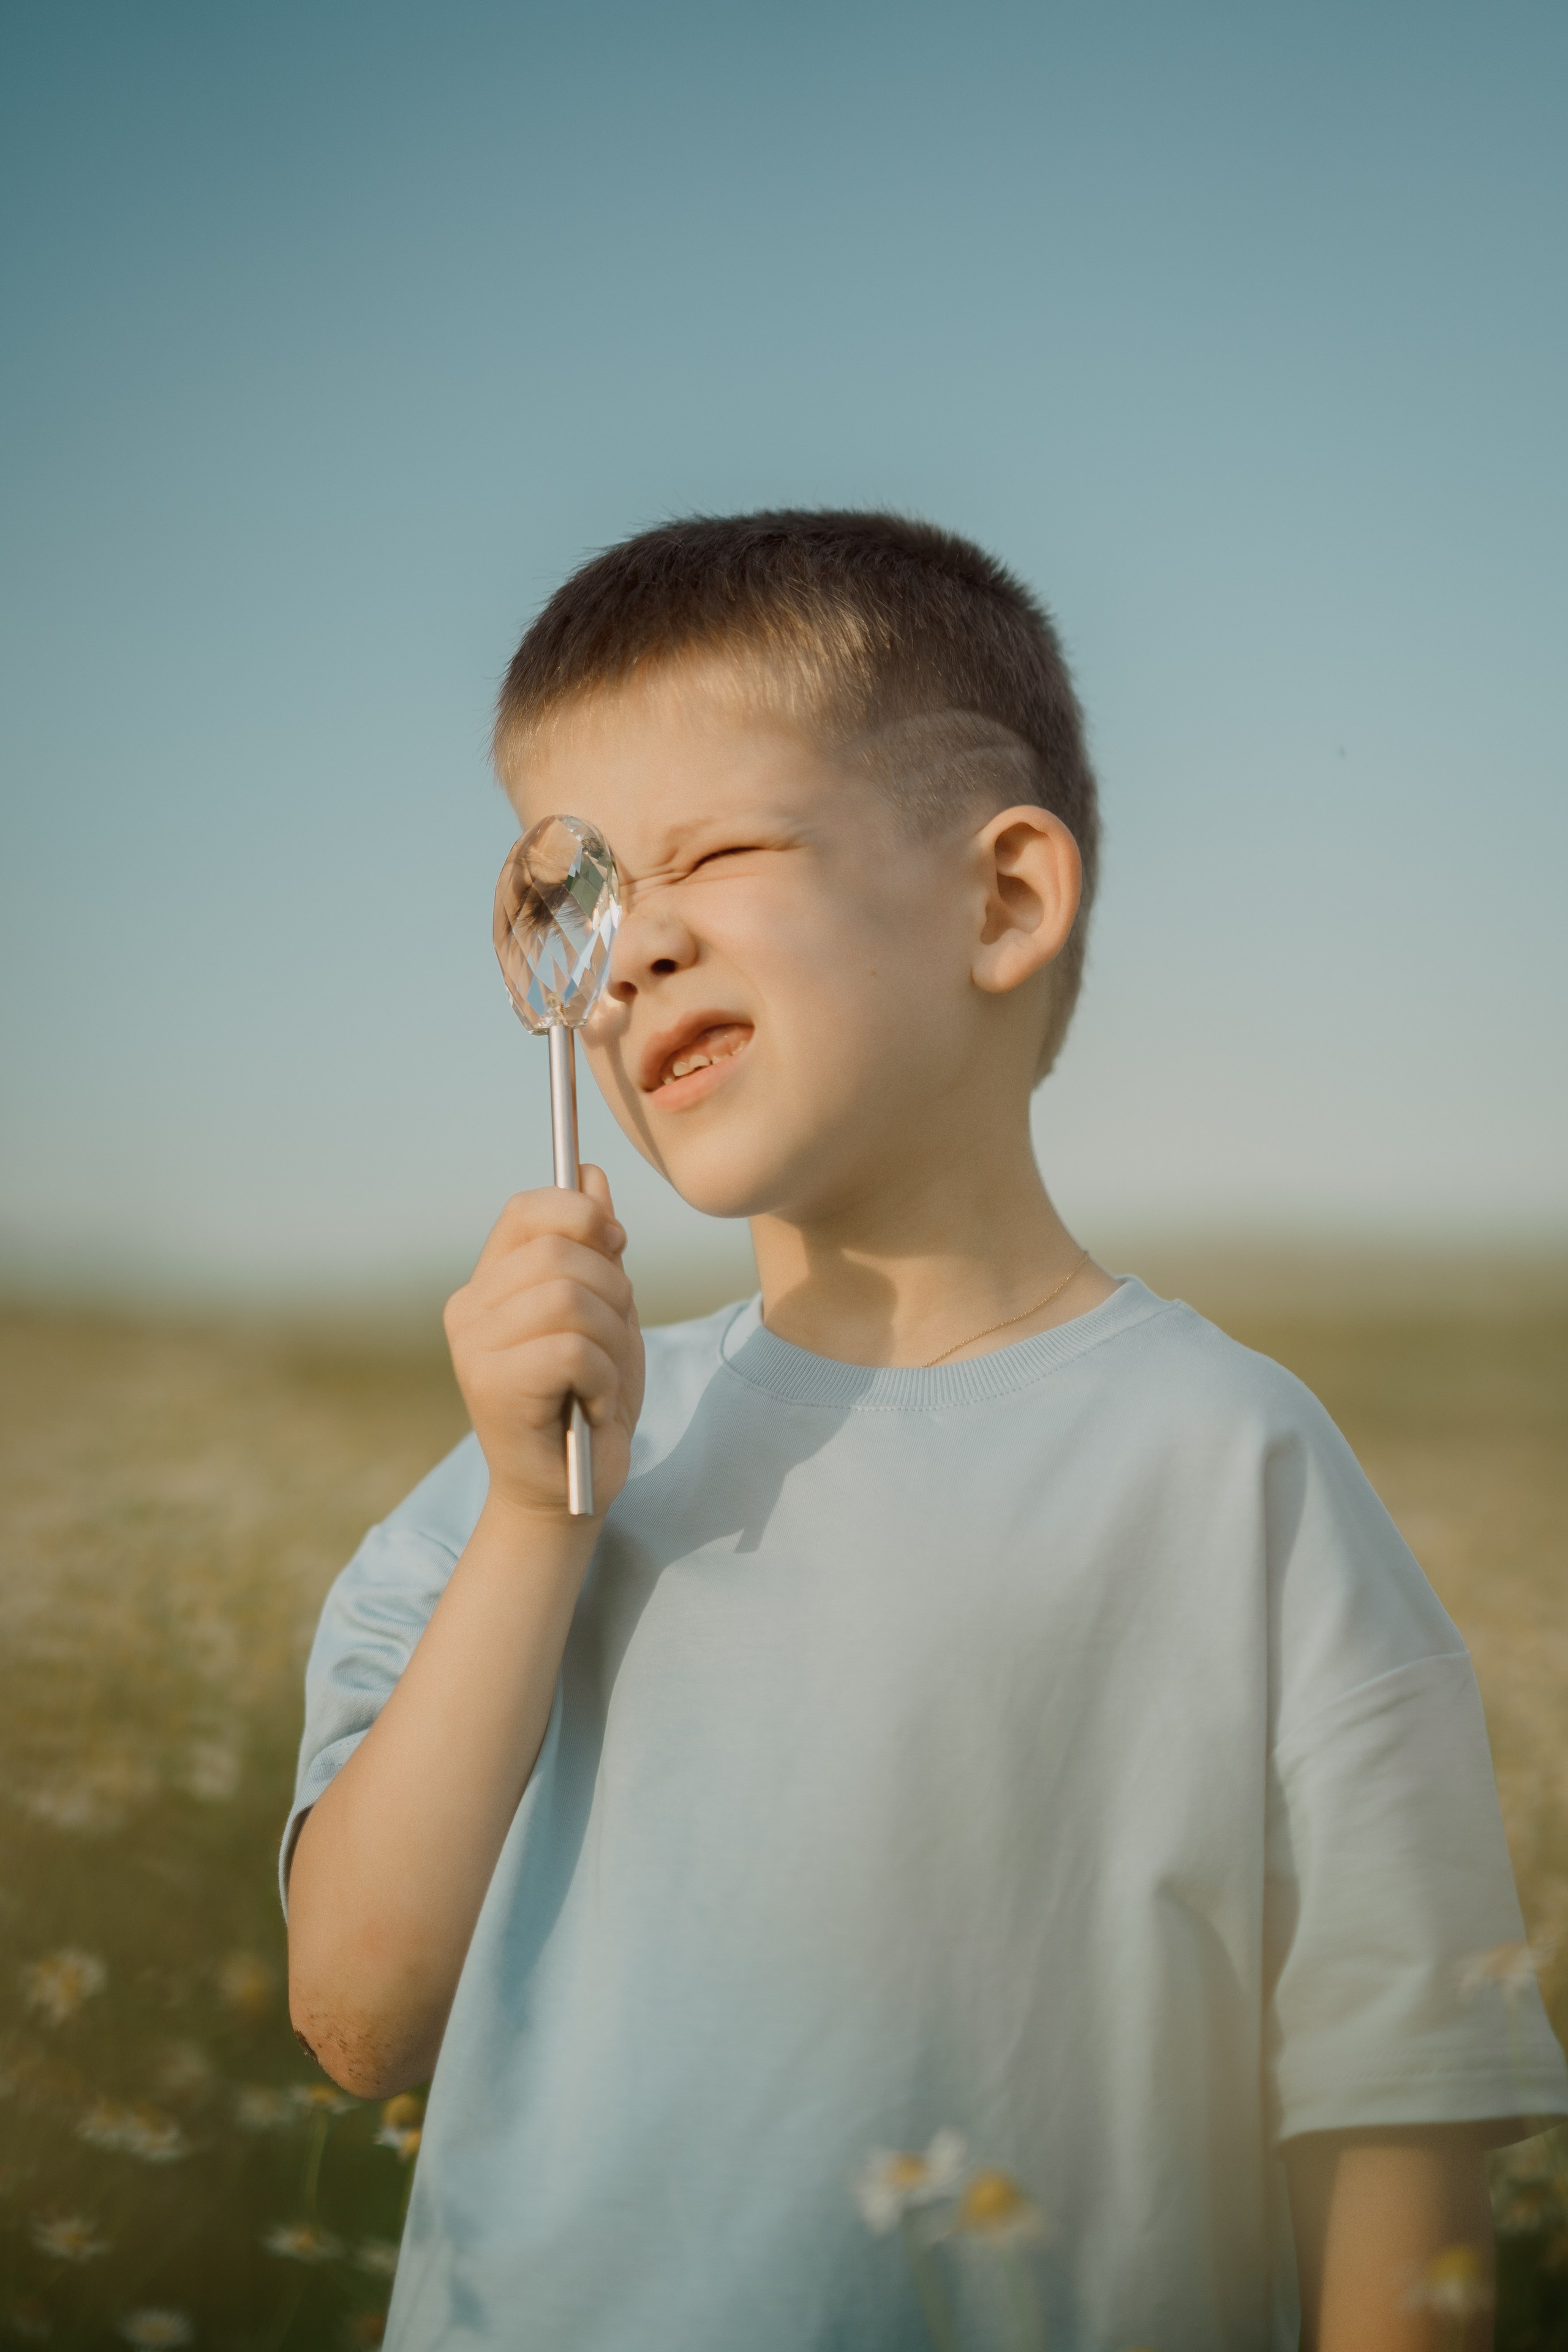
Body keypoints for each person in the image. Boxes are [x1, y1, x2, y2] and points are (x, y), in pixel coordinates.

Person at [282, 511, 1567, 2351]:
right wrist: (537, 1515)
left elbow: (1402, 2142)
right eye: (573, 893)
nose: (633, 947)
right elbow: (357, 2011)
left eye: (712, 850)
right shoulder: (516, 1489)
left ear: (1003, 901)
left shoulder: (1241, 1472)